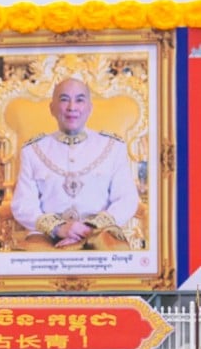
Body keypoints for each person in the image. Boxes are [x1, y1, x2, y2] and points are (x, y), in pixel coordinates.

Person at [9, 77, 139, 252]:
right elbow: (23, 204)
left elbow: (127, 199)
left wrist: (89, 229)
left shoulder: (113, 147)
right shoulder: (32, 150)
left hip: (100, 233)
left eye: (79, 100)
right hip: (46, 236)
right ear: (52, 108)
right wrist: (58, 228)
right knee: (24, 264)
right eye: (64, 100)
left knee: (119, 257)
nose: (72, 107)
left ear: (89, 108)